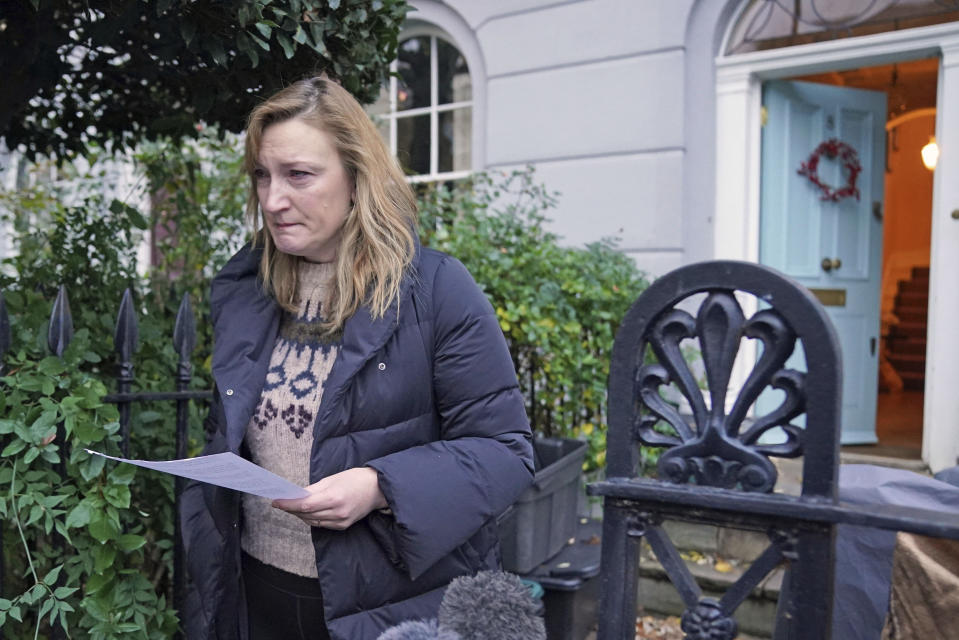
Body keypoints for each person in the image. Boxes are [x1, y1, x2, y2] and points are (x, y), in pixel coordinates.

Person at [179, 77, 535, 640]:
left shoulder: (434, 290)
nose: (273, 199)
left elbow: (506, 452)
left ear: (356, 177)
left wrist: (380, 486)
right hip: (254, 591)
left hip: (391, 605)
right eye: (263, 176)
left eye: (298, 175)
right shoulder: (245, 287)